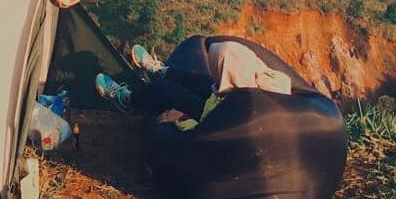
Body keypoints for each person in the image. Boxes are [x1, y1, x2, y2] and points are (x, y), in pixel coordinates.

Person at [95, 41, 292, 133]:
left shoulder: (239, 114)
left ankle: (128, 100)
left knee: (166, 91)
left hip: (207, 115)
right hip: (220, 101)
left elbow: (207, 137)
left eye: (219, 68)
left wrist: (180, 118)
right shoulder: (260, 80)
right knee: (202, 81)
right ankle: (161, 71)